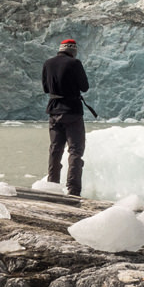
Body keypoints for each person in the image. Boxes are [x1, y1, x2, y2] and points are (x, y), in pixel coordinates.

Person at [42, 37, 90, 196]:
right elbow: (85, 87)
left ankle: (52, 185)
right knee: (75, 151)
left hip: (54, 110)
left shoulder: (48, 63)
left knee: (55, 150)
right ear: (73, 50)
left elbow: (46, 88)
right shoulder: (75, 63)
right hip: (72, 111)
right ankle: (73, 189)